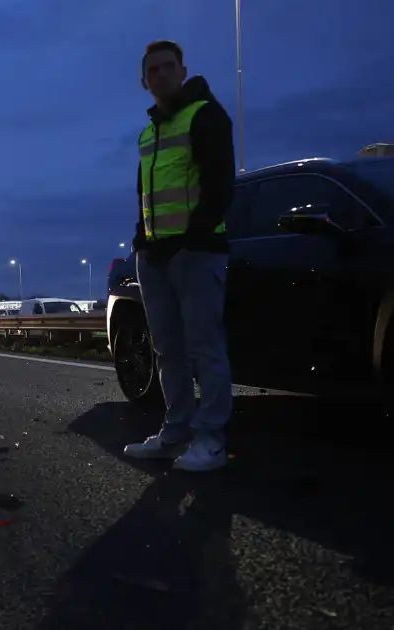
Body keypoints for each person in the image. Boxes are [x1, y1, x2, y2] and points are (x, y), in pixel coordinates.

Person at [124, 40, 236, 472]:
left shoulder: (205, 115)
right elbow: (146, 194)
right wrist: (142, 240)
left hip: (195, 252)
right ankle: (175, 432)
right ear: (144, 81)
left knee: (204, 346)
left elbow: (220, 185)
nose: (161, 76)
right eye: (153, 70)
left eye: (168, 67)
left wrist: (192, 238)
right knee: (168, 349)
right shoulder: (149, 131)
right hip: (155, 256)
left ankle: (210, 439)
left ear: (183, 70)